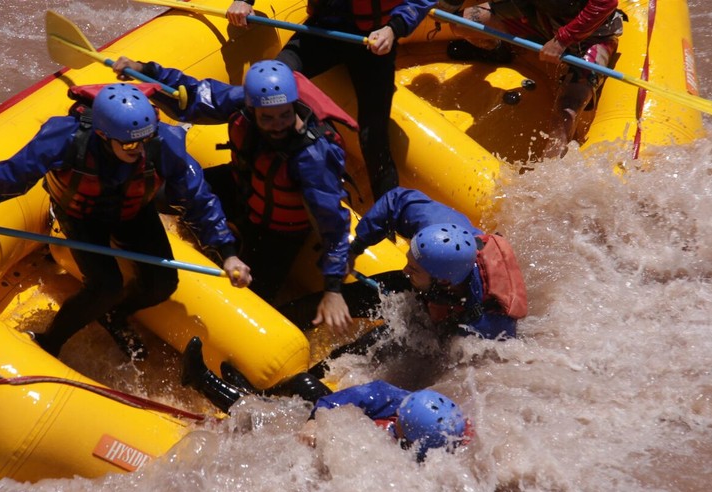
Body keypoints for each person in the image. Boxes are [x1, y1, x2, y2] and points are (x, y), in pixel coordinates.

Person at [0, 83, 251, 360]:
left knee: (162, 284)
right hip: (80, 217)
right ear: (103, 135)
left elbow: (198, 197)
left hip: (134, 212)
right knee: (105, 287)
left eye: (146, 139)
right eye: (131, 144)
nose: (141, 150)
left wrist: (227, 252)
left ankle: (116, 315)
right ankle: (50, 341)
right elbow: (6, 178)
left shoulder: (161, 143)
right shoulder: (64, 139)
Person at [112, 58, 354, 335]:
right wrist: (146, 71)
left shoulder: (313, 158)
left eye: (284, 115)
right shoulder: (243, 102)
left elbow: (332, 224)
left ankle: (233, 243)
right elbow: (194, 95)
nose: (277, 125)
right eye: (267, 118)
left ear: (293, 105)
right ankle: (221, 240)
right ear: (252, 109)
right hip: (241, 189)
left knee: (253, 302)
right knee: (163, 196)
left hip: (281, 232)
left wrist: (333, 288)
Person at [225, 0, 437, 201]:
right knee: (274, 84)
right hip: (323, 33)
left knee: (373, 136)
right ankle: (255, 181)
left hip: (373, 40)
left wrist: (393, 29)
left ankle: (389, 214)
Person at [444, 0, 624, 157]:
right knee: (461, 23)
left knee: (567, 110)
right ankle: (498, 51)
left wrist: (562, 40)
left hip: (593, 34)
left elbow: (606, 3)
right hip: (540, 17)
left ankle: (552, 169)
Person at [349, 187, 528, 340]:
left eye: (412, 268)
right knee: (351, 298)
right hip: (430, 283)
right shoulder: (436, 229)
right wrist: (355, 249)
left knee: (377, 345)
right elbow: (396, 200)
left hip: (457, 309)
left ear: (444, 281)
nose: (404, 270)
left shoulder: (489, 324)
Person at [300, 380, 474, 461]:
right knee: (303, 383)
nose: (398, 413)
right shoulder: (392, 398)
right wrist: (313, 422)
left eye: (401, 418)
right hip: (352, 405)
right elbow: (331, 404)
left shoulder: (449, 439)